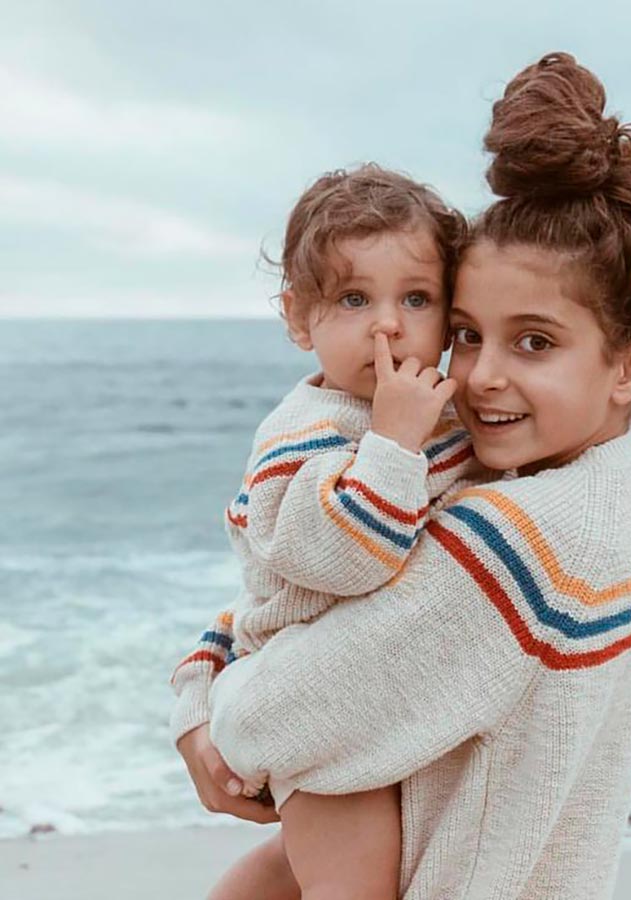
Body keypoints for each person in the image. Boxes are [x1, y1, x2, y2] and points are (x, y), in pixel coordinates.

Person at [177, 52, 631, 899]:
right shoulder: (611, 487)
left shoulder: (521, 546)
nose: (478, 378)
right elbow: (330, 588)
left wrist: (197, 697)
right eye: (468, 333)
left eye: (535, 342)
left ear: (630, 366)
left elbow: (263, 727)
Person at [171, 164, 487, 899]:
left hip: (370, 698)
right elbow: (345, 560)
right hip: (313, 715)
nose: (389, 324)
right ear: (298, 317)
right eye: (354, 299)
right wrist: (392, 445)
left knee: (287, 871)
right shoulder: (304, 435)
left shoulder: (426, 412)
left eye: (417, 299)